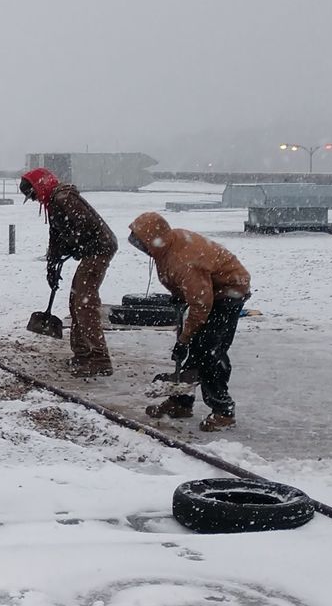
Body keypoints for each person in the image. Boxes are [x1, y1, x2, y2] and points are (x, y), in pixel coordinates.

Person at [124, 211, 251, 431]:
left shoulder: (184, 259)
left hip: (228, 292)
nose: (141, 248)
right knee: (196, 348)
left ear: (155, 238)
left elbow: (201, 304)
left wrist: (184, 338)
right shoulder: (166, 247)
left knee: (210, 351)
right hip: (206, 292)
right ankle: (181, 403)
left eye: (142, 242)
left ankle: (223, 411)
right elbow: (190, 291)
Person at [20, 167, 116, 376]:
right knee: (76, 301)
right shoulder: (53, 203)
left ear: (40, 186)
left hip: (99, 250)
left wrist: (75, 245)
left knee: (85, 303)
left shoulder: (64, 198)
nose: (35, 200)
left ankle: (99, 358)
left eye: (33, 194)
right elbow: (55, 236)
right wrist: (52, 265)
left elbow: (84, 225)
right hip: (91, 251)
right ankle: (83, 354)